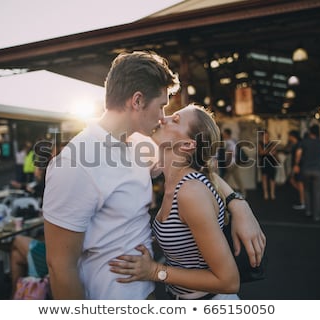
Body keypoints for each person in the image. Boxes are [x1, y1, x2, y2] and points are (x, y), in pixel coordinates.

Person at [43, 51, 265, 300]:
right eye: (161, 106)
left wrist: (238, 204)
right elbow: (59, 267)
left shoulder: (140, 143)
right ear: (137, 101)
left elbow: (197, 170)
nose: (162, 117)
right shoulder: (75, 163)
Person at [109, 105, 240, 299]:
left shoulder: (190, 192)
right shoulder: (175, 179)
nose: (163, 118)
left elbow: (229, 281)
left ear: (187, 145)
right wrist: (238, 203)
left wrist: (155, 271)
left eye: (176, 119)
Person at [293, 124, 320, 221]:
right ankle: (317, 215)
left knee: (307, 191)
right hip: (318, 170)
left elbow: (298, 153)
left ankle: (308, 211)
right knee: (317, 193)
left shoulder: (304, 142)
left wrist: (296, 164)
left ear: (310, 132)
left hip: (306, 170)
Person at [222, 128, 246, 197]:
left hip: (231, 163)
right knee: (236, 178)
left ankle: (221, 193)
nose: (223, 135)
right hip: (234, 163)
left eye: (224, 133)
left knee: (224, 179)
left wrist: (227, 163)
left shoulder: (229, 142)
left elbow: (230, 153)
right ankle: (243, 192)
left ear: (227, 134)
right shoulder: (232, 141)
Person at [257, 129, 278, 200]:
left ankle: (272, 193)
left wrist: (267, 152)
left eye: (267, 135)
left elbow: (274, 153)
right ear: (262, 136)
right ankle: (265, 193)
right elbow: (261, 152)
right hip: (264, 162)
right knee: (264, 178)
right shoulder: (260, 143)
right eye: (265, 135)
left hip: (272, 162)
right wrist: (269, 151)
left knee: (272, 178)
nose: (266, 136)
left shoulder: (272, 143)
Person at [288, 130, 305, 210]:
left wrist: (296, 165)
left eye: (289, 136)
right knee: (293, 181)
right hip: (297, 166)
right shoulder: (296, 144)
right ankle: (304, 198)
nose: (288, 138)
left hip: (299, 167)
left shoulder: (299, 144)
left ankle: (303, 201)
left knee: (300, 183)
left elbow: (299, 154)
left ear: (292, 136)